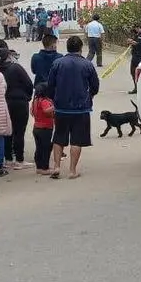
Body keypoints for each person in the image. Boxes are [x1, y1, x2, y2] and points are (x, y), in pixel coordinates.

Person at [47, 36, 100, 179]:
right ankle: (72, 170)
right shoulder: (87, 64)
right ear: (81, 48)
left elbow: (50, 84)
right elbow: (95, 86)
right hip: (81, 108)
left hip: (61, 107)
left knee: (59, 137)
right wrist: (90, 96)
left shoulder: (57, 63)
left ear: (67, 47)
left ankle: (57, 167)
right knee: (77, 139)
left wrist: (54, 100)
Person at [0, 46, 33, 170]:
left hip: (4, 102)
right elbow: (28, 83)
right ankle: (19, 159)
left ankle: (8, 159)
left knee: (7, 132)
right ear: (9, 56)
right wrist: (27, 97)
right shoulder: (16, 68)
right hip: (19, 102)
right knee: (19, 131)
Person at [31, 83, 56, 176]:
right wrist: (55, 107)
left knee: (39, 148)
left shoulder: (35, 100)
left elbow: (31, 111)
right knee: (46, 149)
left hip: (36, 127)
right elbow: (46, 110)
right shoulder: (44, 101)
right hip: (45, 128)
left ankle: (39, 167)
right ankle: (44, 168)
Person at [127, 24, 141, 95]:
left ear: (139, 27)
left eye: (136, 29)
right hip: (135, 56)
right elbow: (132, 43)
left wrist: (136, 43)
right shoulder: (135, 34)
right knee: (133, 72)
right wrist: (130, 42)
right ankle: (136, 88)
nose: (135, 30)